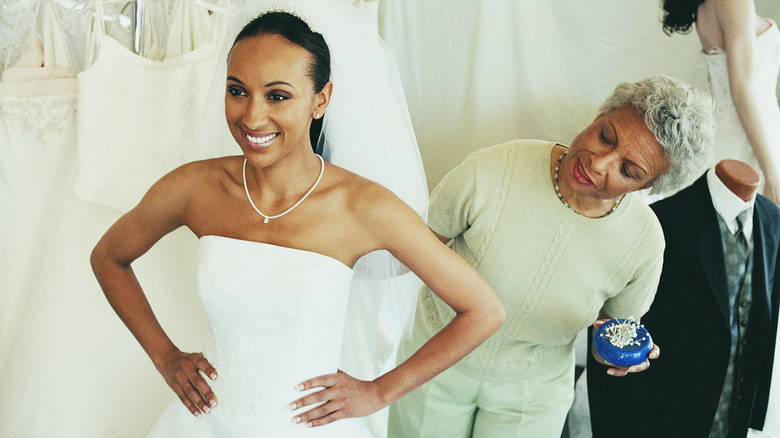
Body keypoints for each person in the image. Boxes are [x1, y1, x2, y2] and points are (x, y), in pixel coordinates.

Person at [89, 2, 505, 437]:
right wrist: (165, 356)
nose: (252, 116)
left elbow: (484, 310)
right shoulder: (195, 188)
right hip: (206, 424)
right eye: (237, 91)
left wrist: (379, 392)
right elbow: (109, 257)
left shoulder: (363, 206)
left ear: (320, 100)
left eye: (278, 95)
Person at [387, 75, 716, 438]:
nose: (599, 164)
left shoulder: (644, 242)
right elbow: (410, 252)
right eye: (605, 137)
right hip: (433, 364)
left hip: (533, 395)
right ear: (598, 115)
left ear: (647, 186)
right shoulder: (492, 170)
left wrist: (619, 352)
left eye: (628, 170)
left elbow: (609, 331)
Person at [587, 159, 780, 438]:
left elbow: (763, 319)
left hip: (733, 411)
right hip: (666, 416)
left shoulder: (772, 220)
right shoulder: (660, 223)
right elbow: (616, 334)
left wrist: (752, 410)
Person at [661, 0, 780, 205]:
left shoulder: (702, 7)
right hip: (753, 139)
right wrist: (771, 175)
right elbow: (742, 91)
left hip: (735, 133)